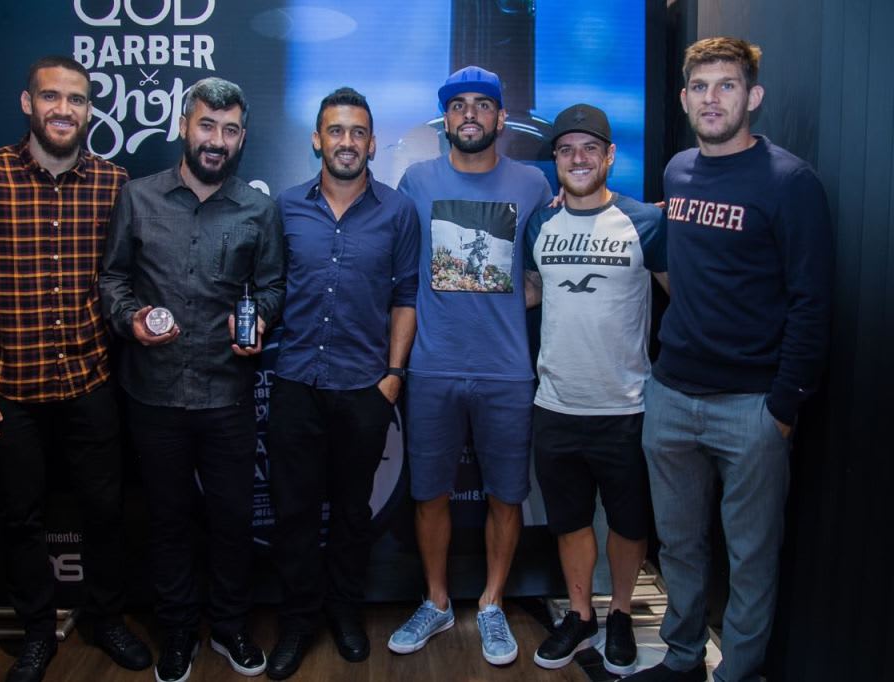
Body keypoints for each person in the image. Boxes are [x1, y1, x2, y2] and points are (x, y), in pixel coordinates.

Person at [628, 38, 833, 682]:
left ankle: (738, 672)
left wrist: (781, 406)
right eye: (701, 87)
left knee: (750, 558)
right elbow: (674, 251)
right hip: (671, 394)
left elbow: (812, 301)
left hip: (751, 407)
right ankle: (684, 659)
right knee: (680, 548)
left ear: (753, 96)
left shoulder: (790, 183)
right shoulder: (678, 171)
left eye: (726, 85)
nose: (712, 98)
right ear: (684, 97)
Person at [0, 55, 151, 682]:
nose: (65, 109)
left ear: (90, 110)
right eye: (52, 97)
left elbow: (126, 279)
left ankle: (105, 617)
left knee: (105, 510)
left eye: (78, 99)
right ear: (27, 103)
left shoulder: (114, 183)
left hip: (91, 378)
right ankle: (37, 629)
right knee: (19, 517)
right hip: (8, 382)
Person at [98, 76, 285, 682]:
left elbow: (275, 286)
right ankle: (178, 631)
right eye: (207, 125)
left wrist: (259, 320)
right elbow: (112, 281)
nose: (217, 140)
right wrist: (130, 320)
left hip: (228, 391)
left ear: (242, 139)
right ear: (185, 126)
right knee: (168, 519)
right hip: (152, 392)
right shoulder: (138, 197)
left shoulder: (259, 209)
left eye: (230, 131)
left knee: (233, 519)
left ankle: (230, 628)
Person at [388, 65, 553, 666]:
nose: (470, 115)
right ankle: (435, 601)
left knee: (506, 496)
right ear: (446, 119)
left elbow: (549, 256)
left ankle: (490, 603)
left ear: (500, 118)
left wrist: (517, 291)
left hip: (507, 370)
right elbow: (400, 270)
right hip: (431, 367)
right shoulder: (416, 180)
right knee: (429, 493)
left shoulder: (533, 182)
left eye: (483, 105)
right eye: (459, 106)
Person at [265, 87, 420, 680]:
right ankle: (298, 622)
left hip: (365, 389)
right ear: (317, 139)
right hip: (295, 384)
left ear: (372, 143)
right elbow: (270, 290)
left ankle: (345, 614)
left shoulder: (397, 212)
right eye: (336, 131)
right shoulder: (284, 208)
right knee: (295, 514)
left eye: (358, 132)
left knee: (354, 512)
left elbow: (405, 297)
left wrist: (393, 377)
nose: (347, 142)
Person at [522, 104, 668, 676]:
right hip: (555, 404)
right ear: (554, 160)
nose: (578, 159)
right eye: (565, 150)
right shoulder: (541, 223)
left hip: (627, 406)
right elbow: (533, 292)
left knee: (630, 524)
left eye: (589, 149)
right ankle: (581, 614)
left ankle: (623, 613)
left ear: (610, 156)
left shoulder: (644, 222)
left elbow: (681, 294)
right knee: (570, 520)